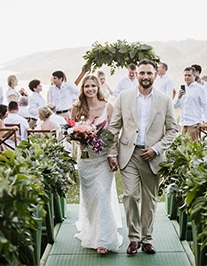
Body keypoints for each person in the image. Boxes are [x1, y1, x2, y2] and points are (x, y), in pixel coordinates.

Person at [106, 59, 179, 255]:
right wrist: (111, 152)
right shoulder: (124, 96)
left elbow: (173, 130)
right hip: (129, 154)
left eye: (149, 73)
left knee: (150, 199)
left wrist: (156, 148)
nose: (145, 76)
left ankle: (147, 239)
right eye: (142, 73)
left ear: (156, 75)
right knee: (130, 195)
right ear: (136, 74)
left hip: (152, 157)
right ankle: (134, 238)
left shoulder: (164, 100)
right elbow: (114, 127)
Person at [70, 74, 123, 255]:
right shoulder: (77, 108)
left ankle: (104, 240)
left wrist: (112, 154)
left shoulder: (108, 107)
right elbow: (72, 132)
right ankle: (92, 233)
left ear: (98, 87)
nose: (90, 89)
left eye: (93, 85)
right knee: (90, 199)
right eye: (87, 86)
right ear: (83, 89)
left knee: (101, 194)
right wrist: (81, 137)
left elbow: (114, 133)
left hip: (103, 159)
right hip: (85, 159)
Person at [174, 67, 207, 141]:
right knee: (183, 149)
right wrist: (179, 97)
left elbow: (205, 105)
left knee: (191, 148)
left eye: (189, 75)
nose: (187, 77)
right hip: (183, 123)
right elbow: (174, 106)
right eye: (185, 75)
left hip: (194, 123)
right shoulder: (180, 89)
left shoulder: (200, 88)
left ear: (195, 76)